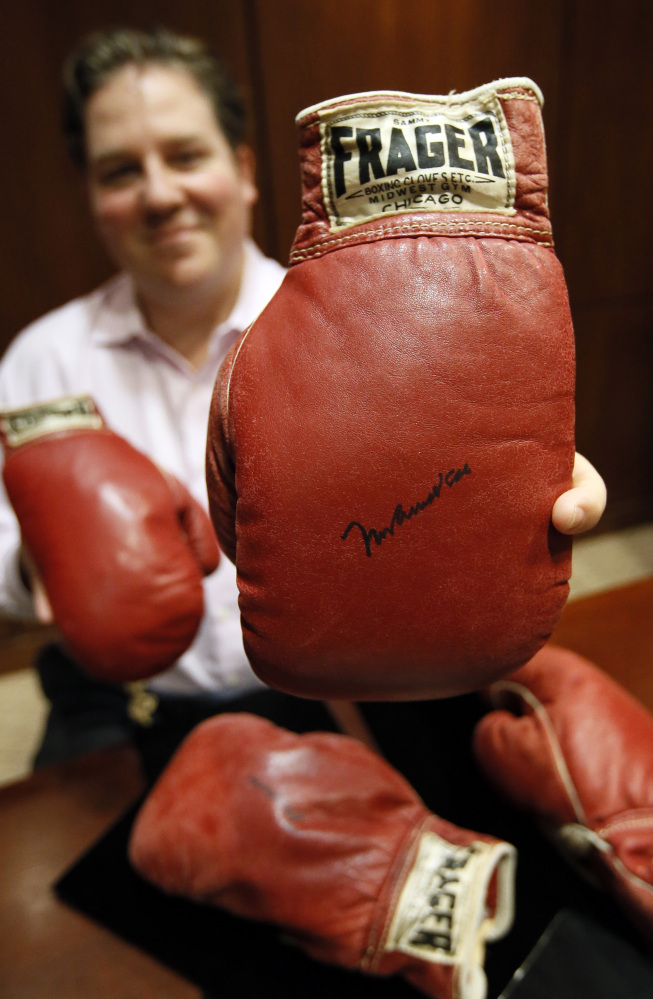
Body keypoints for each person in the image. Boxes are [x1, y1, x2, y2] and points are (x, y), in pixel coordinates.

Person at [0, 26, 606, 783]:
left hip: (356, 684)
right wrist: (48, 553)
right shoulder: (39, 358)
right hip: (127, 700)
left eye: (185, 155)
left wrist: (509, 482)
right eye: (121, 171)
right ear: (90, 196)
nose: (159, 194)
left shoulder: (394, 315)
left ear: (244, 169)